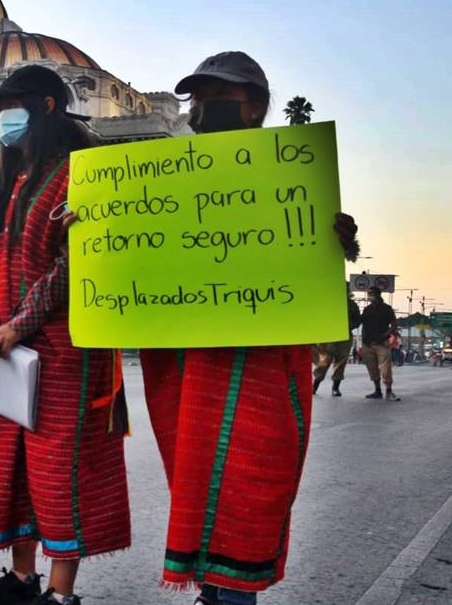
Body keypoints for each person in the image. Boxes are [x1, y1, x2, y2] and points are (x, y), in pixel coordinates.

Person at [139, 52, 359, 605]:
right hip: (192, 372)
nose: (202, 108)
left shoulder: (292, 179)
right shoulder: (163, 183)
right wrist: (88, 229)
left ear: (256, 105)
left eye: (217, 95)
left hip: (262, 373)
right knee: (197, 484)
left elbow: (315, 289)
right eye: (198, 97)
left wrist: (338, 244)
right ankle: (214, 594)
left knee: (250, 493)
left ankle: (230, 596)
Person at [0, 66, 128, 605]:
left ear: (46, 107)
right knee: (9, 466)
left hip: (62, 354)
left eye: (14, 104)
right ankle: (22, 577)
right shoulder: (1, 184)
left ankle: (60, 592)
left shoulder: (81, 176)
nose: (3, 119)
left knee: (60, 466)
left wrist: (17, 326)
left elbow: (71, 265)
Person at [313, 282, 361, 396]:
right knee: (324, 360)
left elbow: (357, 320)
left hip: (344, 335)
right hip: (329, 334)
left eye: (346, 289)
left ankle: (335, 388)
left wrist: (348, 326)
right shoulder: (328, 302)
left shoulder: (352, 305)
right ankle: (315, 385)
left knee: (341, 361)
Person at [360, 287, 400, 401]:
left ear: (378, 294)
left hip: (382, 343)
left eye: (371, 293)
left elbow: (393, 325)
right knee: (371, 368)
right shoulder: (367, 309)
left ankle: (389, 390)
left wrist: (384, 336)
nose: (370, 295)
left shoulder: (387, 309)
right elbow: (362, 323)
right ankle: (377, 390)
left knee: (386, 368)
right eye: (369, 293)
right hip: (368, 343)